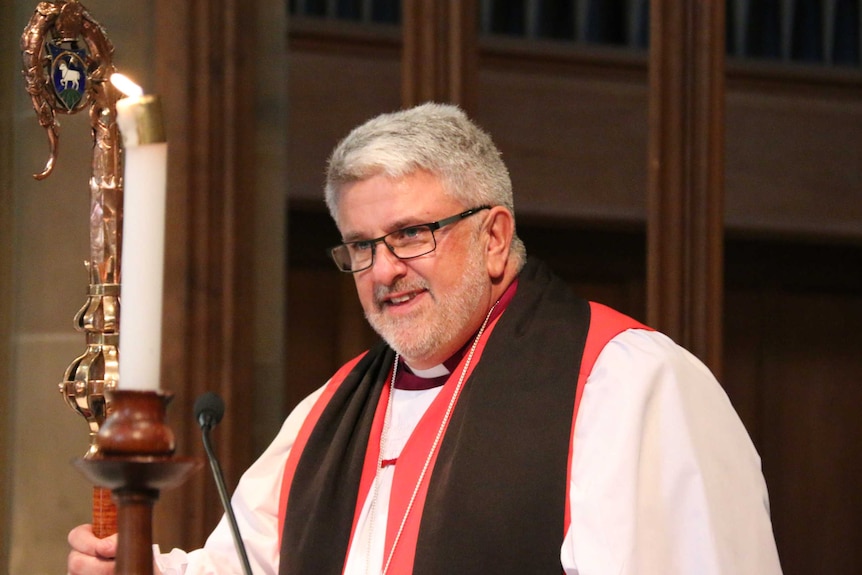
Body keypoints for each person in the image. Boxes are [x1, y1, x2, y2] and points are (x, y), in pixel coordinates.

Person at [68, 103, 783, 575]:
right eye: (359, 245)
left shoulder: (630, 384)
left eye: (412, 233)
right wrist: (138, 566)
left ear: (495, 235)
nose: (384, 270)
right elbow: (246, 564)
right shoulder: (334, 407)